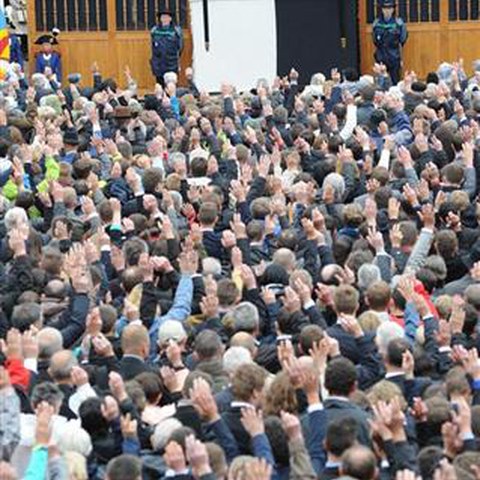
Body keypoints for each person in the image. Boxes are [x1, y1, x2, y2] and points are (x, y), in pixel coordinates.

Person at [372, 0, 407, 85]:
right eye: (385, 8)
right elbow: (374, 40)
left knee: (395, 80)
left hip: (394, 55)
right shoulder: (376, 23)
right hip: (381, 55)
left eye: (389, 8)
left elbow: (403, 39)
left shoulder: (399, 23)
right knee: (380, 82)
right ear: (382, 10)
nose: (387, 11)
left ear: (393, 10)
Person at [150, 9, 183, 86]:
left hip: (171, 62)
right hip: (158, 62)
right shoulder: (155, 30)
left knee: (171, 85)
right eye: (162, 17)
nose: (164, 19)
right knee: (160, 85)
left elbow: (180, 47)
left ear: (170, 18)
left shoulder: (176, 30)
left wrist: (173, 56)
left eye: (166, 17)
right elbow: (153, 45)